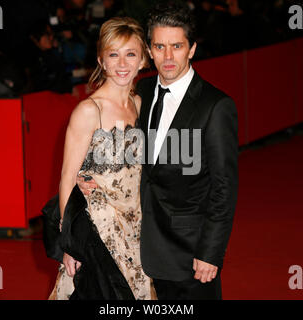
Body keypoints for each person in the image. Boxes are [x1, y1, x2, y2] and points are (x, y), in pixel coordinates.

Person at [78, 2, 238, 300]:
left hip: (189, 254)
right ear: (149, 51)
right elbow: (114, 149)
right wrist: (86, 177)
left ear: (191, 49)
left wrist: (211, 252)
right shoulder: (142, 92)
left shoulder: (215, 106)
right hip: (138, 244)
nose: (167, 56)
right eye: (159, 46)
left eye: (176, 46)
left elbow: (224, 188)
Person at [48, 16, 155, 300]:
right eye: (113, 54)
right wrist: (70, 244)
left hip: (136, 228)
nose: (122, 64)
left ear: (143, 59)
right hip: (99, 230)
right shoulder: (88, 111)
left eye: (130, 54)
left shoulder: (139, 103)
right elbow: (68, 178)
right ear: (101, 59)